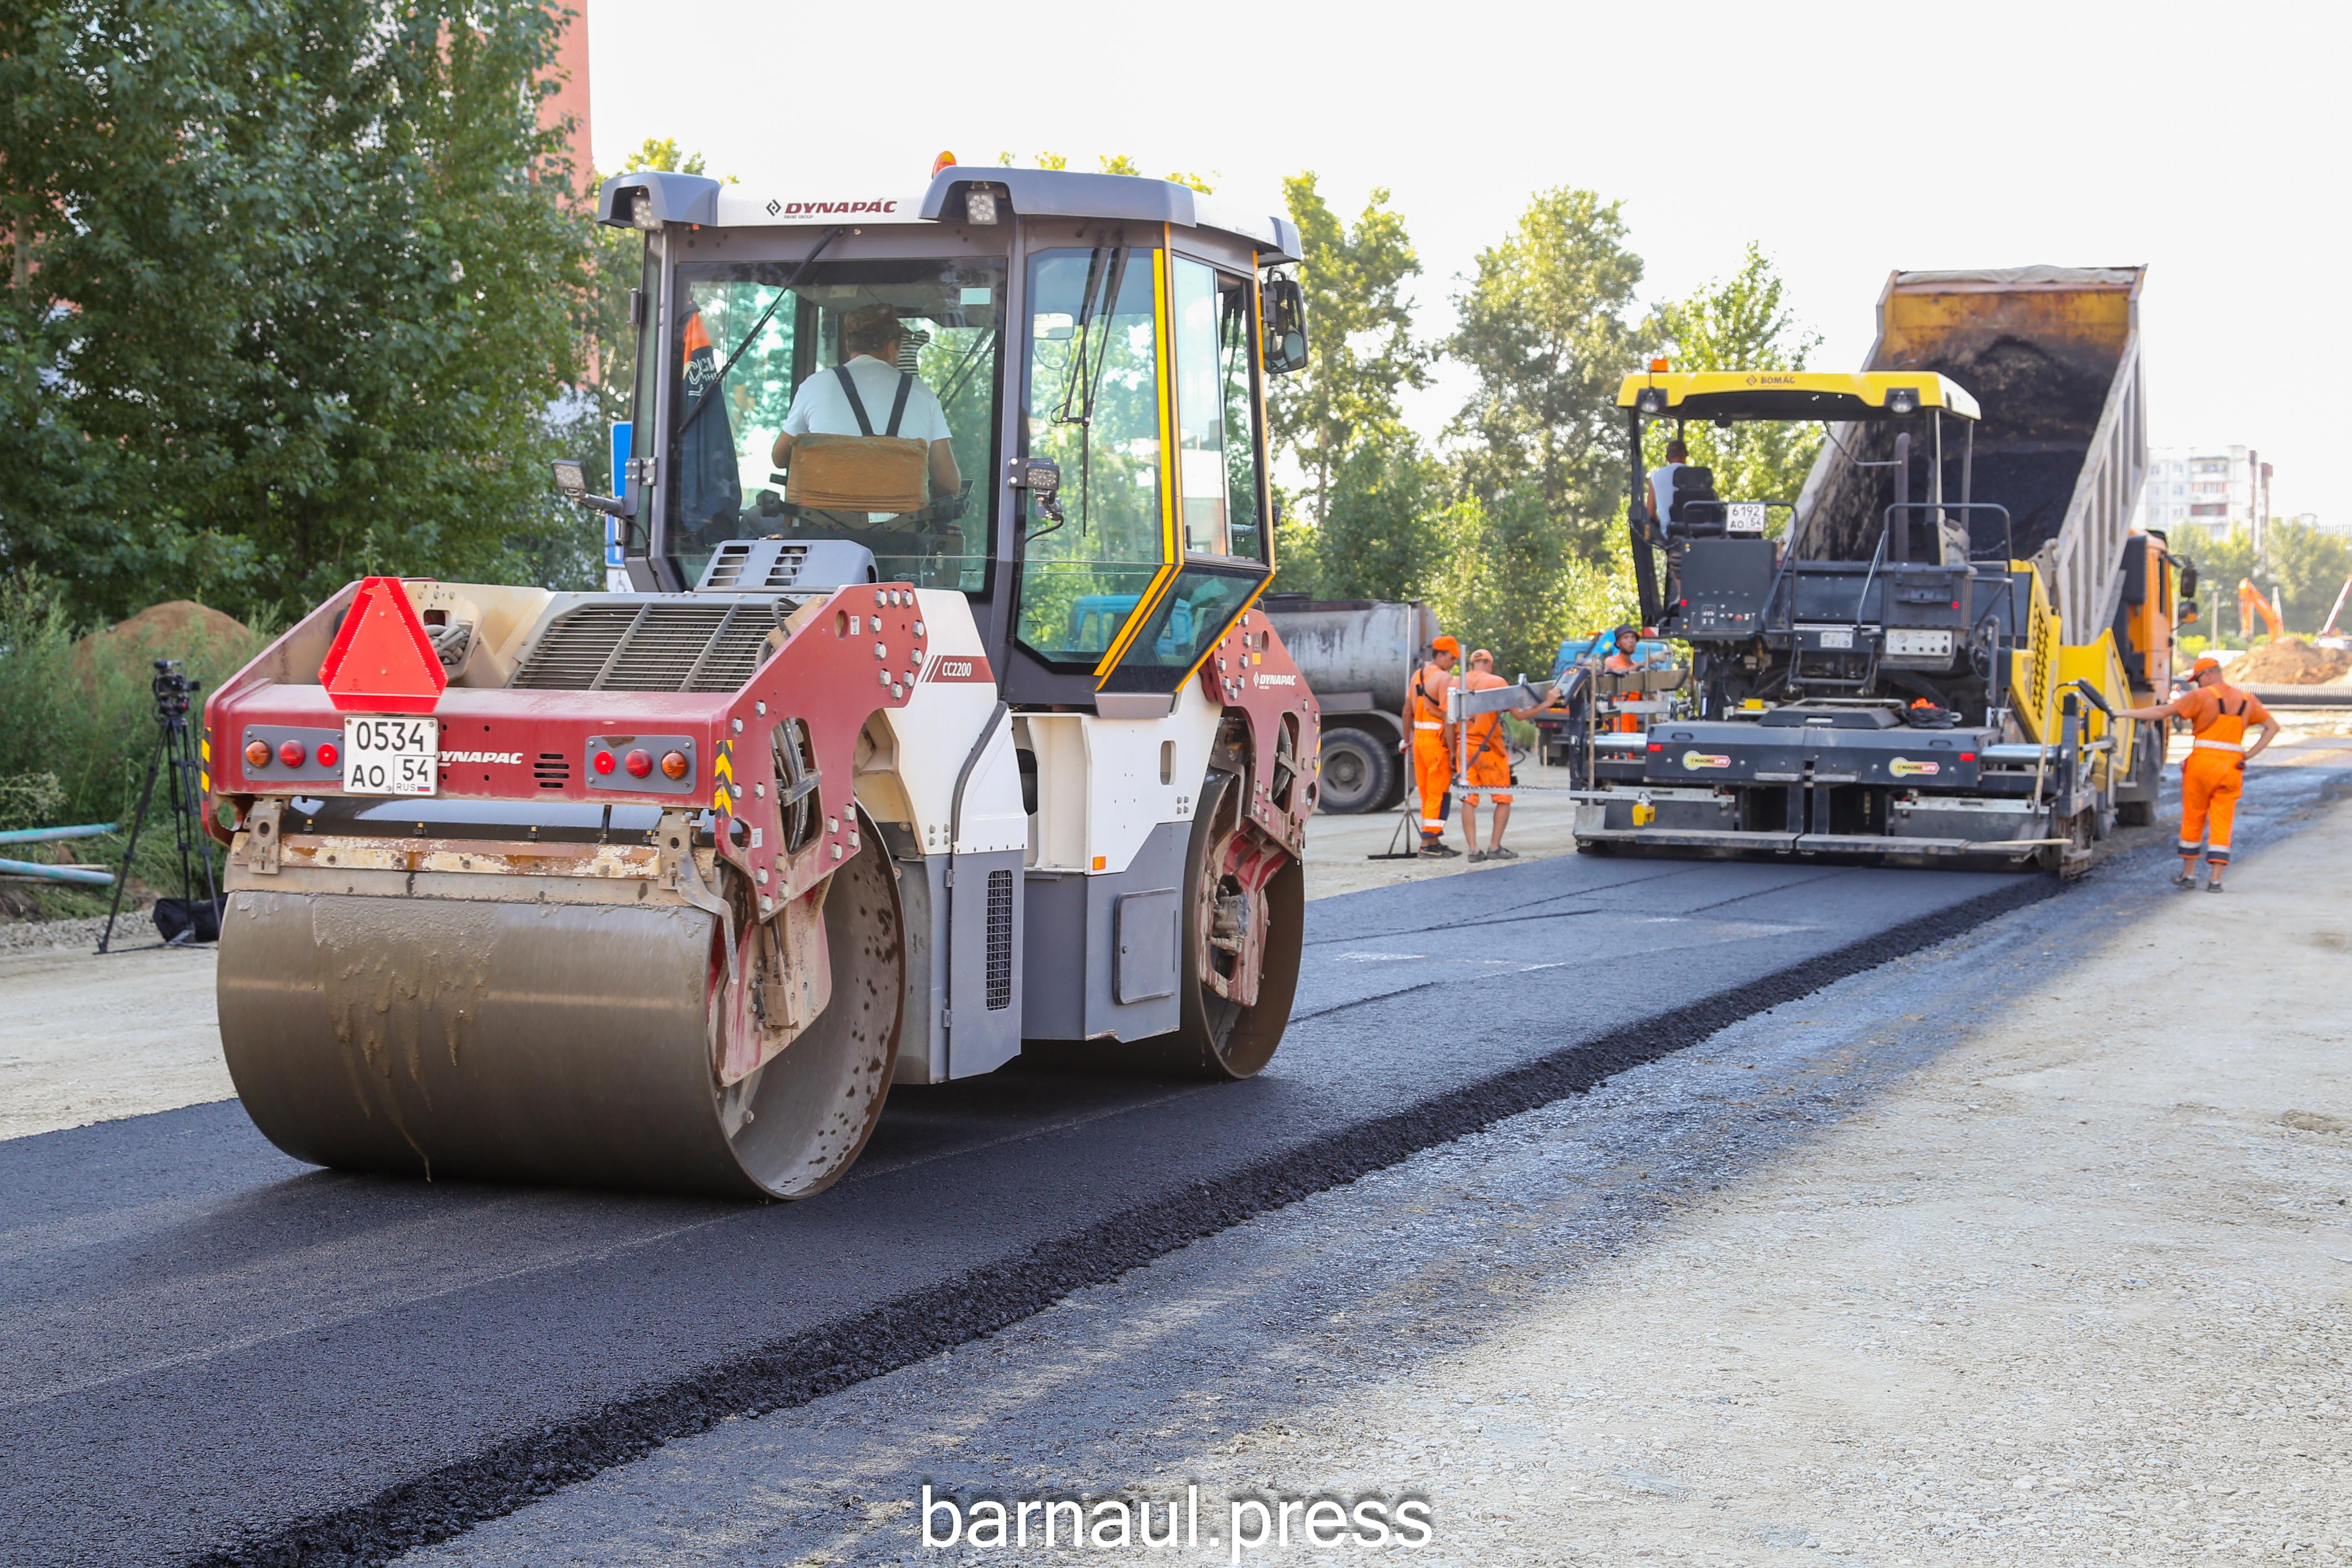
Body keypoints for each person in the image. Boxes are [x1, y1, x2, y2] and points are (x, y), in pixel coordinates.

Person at [2115, 652, 2279, 891]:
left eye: (2197, 679)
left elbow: (2162, 713)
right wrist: (2248, 755)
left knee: (2194, 817)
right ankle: (2216, 880)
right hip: (2232, 767)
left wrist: (2124, 714)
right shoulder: (2247, 700)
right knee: (2223, 821)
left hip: (2203, 765)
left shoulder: (2202, 696)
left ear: (2209, 675)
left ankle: (2189, 875)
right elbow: (2272, 727)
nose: (2196, 683)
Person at [771, 304, 961, 503]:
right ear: (891, 347)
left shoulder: (814, 385)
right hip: (899, 530)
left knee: (755, 520)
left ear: (848, 345)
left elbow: (780, 458)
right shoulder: (923, 394)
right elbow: (949, 484)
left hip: (822, 528)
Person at [1458, 649, 1543, 862]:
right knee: (1503, 798)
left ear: (1471, 665)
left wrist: (1453, 751)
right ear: (1490, 665)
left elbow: (1449, 721)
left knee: (1468, 798)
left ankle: (1474, 850)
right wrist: (1548, 702)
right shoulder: (1497, 681)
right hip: (1489, 750)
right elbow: (1520, 715)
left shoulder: (1456, 683)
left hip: (1464, 749)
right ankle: (1495, 847)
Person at [1405, 635, 1461, 858]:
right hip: (1437, 741)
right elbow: (1449, 718)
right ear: (1440, 655)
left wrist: (1406, 738)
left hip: (1419, 738)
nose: (1454, 663)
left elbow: (1407, 710)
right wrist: (1453, 750)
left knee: (1428, 792)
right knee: (1439, 792)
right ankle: (1429, 844)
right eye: (1452, 658)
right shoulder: (1445, 679)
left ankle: (1432, 841)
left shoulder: (1418, 676)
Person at [1648, 438, 1691, 530]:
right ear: (1686, 455)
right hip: (1698, 533)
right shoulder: (1698, 476)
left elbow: (1650, 514)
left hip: (1670, 535)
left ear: (1667, 458)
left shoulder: (1655, 477)